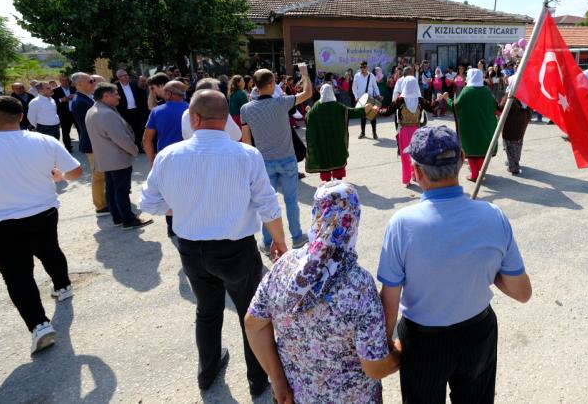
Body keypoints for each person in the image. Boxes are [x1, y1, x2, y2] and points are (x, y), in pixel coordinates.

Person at [140, 89, 287, 397]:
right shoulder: (246, 154)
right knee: (253, 314)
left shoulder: (169, 155)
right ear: (227, 120)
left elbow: (149, 203)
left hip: (192, 249)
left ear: (193, 118)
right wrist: (280, 242)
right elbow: (268, 204)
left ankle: (206, 373)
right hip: (237, 250)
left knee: (207, 311)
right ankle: (257, 379)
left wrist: (180, 207)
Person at [377, 125, 531, 403]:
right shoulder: (493, 215)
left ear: (416, 171)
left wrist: (384, 345)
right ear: (461, 160)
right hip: (478, 333)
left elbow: (390, 298)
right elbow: (522, 292)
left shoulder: (402, 224)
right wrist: (489, 269)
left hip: (423, 340)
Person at [246, 181, 401, 404]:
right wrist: (400, 353)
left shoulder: (283, 266)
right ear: (354, 220)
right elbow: (374, 368)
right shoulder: (359, 285)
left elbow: (253, 323)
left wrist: (277, 380)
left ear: (316, 215)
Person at [0, 95, 83, 354]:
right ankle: (62, 285)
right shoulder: (44, 140)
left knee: (17, 276)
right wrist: (61, 177)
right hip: (43, 212)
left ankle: (39, 325)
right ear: (22, 116)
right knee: (50, 250)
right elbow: (75, 171)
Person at [241, 65, 312, 253]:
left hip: (263, 162)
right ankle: (296, 237)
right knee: (291, 201)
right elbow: (307, 92)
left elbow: (247, 141)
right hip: (287, 159)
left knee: (265, 203)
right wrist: (304, 73)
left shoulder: (246, 109)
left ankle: (267, 242)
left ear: (254, 86)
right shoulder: (282, 102)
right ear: (272, 84)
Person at [85, 83, 152, 230]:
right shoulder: (106, 113)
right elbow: (121, 139)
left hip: (106, 159)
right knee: (121, 191)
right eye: (115, 94)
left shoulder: (93, 110)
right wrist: (135, 150)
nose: (119, 96)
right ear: (106, 96)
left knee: (111, 189)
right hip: (117, 159)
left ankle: (118, 218)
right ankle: (128, 220)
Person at [304, 84, 374, 182]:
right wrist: (365, 109)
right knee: (338, 157)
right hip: (336, 141)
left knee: (324, 158)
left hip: (322, 142)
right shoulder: (338, 107)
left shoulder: (315, 108)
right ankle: (339, 180)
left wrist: (308, 111)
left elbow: (308, 118)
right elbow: (352, 112)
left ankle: (327, 182)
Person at [378, 76, 436, 186]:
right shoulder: (420, 99)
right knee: (417, 155)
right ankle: (416, 175)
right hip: (417, 130)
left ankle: (406, 179)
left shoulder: (400, 100)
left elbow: (387, 112)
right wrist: (440, 99)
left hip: (403, 130)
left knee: (405, 157)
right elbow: (431, 107)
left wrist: (377, 110)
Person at [70, 72, 108, 216]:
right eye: (90, 81)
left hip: (96, 143)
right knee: (98, 175)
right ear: (79, 84)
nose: (93, 83)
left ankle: (105, 201)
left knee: (102, 174)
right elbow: (90, 127)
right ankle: (101, 206)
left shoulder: (86, 98)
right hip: (93, 144)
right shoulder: (80, 102)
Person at [453, 68, 498, 182]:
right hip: (485, 126)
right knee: (482, 149)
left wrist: (446, 100)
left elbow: (455, 107)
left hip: (470, 128)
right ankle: (480, 170)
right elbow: (495, 106)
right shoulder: (487, 91)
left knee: (471, 149)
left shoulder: (466, 91)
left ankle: (474, 174)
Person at [143, 81, 189, 167]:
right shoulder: (193, 110)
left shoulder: (156, 112)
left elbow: (146, 140)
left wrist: (152, 161)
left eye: (164, 91)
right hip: (189, 158)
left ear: (169, 93)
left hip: (164, 159)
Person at [499, 80, 532, 176]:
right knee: (518, 144)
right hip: (521, 125)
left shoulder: (509, 97)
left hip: (510, 126)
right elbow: (530, 109)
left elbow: (500, 107)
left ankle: (513, 167)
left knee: (509, 146)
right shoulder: (525, 95)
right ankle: (515, 161)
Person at [115, 69, 149, 150]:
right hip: (124, 112)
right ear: (119, 77)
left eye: (126, 75)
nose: (126, 77)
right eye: (123, 75)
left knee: (138, 129)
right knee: (127, 131)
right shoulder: (116, 87)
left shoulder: (133, 84)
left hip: (136, 111)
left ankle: (139, 147)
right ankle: (130, 147)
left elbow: (141, 96)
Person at [353, 61, 381, 139]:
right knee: (363, 116)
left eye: (364, 67)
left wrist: (378, 95)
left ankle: (374, 133)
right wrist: (356, 96)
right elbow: (354, 88)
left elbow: (375, 86)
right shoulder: (357, 76)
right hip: (361, 99)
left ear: (367, 67)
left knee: (372, 115)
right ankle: (363, 133)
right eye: (361, 67)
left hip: (370, 98)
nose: (363, 69)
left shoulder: (371, 75)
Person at [52, 75, 77, 151]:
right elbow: (52, 101)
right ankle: (68, 146)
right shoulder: (55, 90)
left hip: (75, 112)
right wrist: (60, 100)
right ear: (60, 81)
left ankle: (83, 146)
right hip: (63, 114)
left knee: (80, 129)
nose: (65, 82)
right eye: (63, 80)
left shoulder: (74, 88)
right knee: (65, 131)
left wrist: (75, 96)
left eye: (66, 80)